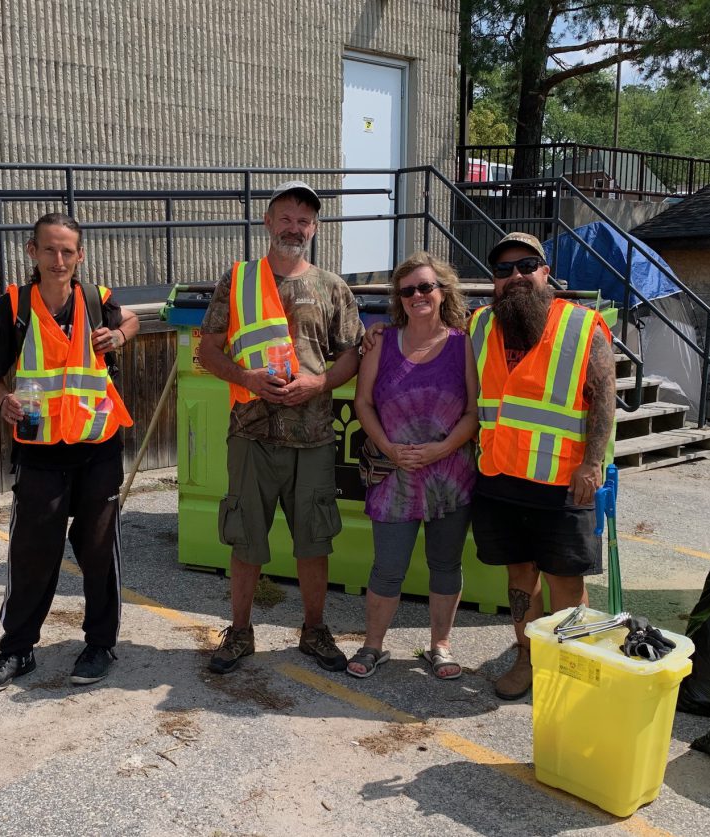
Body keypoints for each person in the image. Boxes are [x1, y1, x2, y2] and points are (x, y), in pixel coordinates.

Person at [198, 180, 363, 674]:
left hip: (312, 435)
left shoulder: (333, 286)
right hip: (251, 433)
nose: (295, 227)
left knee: (314, 540)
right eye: (286, 218)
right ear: (268, 222)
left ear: (315, 229)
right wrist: (245, 377)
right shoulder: (239, 279)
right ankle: (240, 632)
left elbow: (351, 354)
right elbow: (207, 350)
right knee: (246, 539)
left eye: (305, 221)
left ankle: (314, 631)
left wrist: (319, 384)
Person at [0, 212, 139, 692]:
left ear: (80, 256)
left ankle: (100, 645)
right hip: (40, 452)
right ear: (32, 252)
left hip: (98, 449)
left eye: (68, 251)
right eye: (50, 249)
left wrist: (122, 335)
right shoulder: (12, 307)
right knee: (32, 554)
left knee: (98, 550)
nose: (59, 259)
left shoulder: (97, 299)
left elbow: (134, 318)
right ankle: (16, 650)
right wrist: (1, 399)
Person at [469, 231, 616, 700]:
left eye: (526, 265)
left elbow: (604, 401)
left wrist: (592, 464)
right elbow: (423, 319)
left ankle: (570, 667)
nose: (514, 276)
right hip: (499, 477)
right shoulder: (479, 325)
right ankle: (528, 658)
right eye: (503, 270)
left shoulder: (581, 325)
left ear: (545, 272)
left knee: (566, 584)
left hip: (561, 482)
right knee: (519, 577)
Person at [347, 253, 478, 680]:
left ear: (443, 292)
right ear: (398, 299)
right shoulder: (381, 341)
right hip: (393, 475)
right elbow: (362, 402)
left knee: (445, 563)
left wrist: (440, 451)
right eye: (407, 290)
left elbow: (475, 413)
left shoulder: (465, 342)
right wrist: (386, 446)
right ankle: (373, 646)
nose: (417, 296)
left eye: (425, 287)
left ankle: (440, 646)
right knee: (387, 567)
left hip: (450, 475)